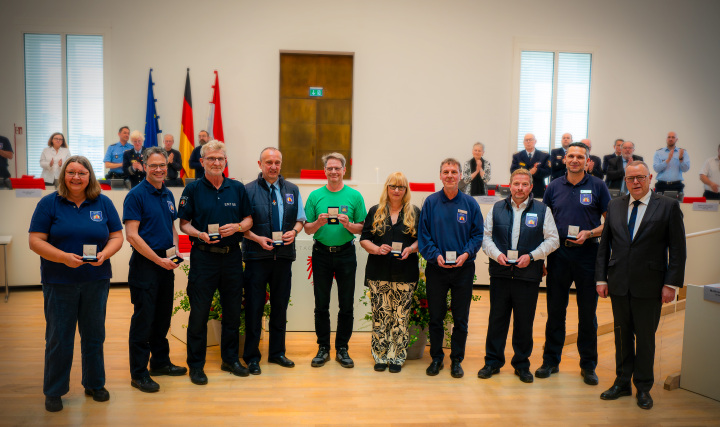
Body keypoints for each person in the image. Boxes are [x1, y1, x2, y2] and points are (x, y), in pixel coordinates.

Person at [28, 156, 124, 412]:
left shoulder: (103, 202)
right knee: (59, 337)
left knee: (94, 335)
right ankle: (55, 390)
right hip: (59, 281)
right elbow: (36, 240)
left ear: (90, 176)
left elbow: (116, 235)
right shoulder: (49, 203)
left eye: (82, 173)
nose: (76, 177)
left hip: (96, 280)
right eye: (71, 172)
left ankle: (95, 383)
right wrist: (62, 258)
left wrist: (106, 254)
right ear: (63, 175)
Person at [596, 161, 686, 410]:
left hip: (651, 285)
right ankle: (622, 383)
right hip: (619, 284)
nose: (636, 182)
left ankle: (643, 387)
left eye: (640, 177)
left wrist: (671, 284)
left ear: (650, 178)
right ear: (625, 180)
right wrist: (601, 278)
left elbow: (678, 250)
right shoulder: (614, 205)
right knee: (622, 337)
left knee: (645, 339)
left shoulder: (668, 206)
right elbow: (605, 246)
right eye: (630, 178)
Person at [178, 140, 253, 385]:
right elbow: (183, 223)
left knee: (232, 312)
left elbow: (249, 219)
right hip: (204, 257)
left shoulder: (237, 188)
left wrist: (239, 226)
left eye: (220, 159)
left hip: (232, 257)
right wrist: (198, 233)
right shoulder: (192, 189)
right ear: (202, 162)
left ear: (225, 161)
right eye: (211, 159)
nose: (216, 162)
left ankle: (230, 360)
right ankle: (196, 366)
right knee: (199, 313)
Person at [536, 142, 610, 385]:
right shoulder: (553, 186)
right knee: (556, 311)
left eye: (580, 156)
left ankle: (588, 366)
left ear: (588, 161)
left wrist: (590, 233)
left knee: (587, 314)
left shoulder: (598, 186)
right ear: (564, 159)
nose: (575, 160)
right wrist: (542, 258)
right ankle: (550, 361)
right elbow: (543, 224)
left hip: (588, 255)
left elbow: (609, 224)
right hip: (559, 256)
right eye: (571, 156)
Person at [478, 168, 559, 383]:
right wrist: (496, 255)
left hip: (527, 276)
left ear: (531, 187)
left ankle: (522, 364)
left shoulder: (543, 210)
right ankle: (492, 362)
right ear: (510, 185)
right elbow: (485, 238)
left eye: (524, 184)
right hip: (500, 274)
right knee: (497, 320)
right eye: (516, 184)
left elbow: (553, 240)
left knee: (524, 322)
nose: (520, 188)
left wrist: (531, 257)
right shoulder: (496, 208)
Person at [123, 146, 187, 393]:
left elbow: (171, 226)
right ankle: (139, 374)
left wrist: (175, 249)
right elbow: (132, 235)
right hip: (145, 265)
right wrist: (158, 260)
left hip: (165, 264)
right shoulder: (136, 195)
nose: (159, 170)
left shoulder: (168, 194)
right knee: (143, 321)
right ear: (144, 166)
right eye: (154, 166)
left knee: (162, 318)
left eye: (163, 165)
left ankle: (160, 363)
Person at [242, 147, 306, 374]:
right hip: (256, 258)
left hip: (283, 258)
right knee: (254, 308)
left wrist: (295, 232)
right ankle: (251, 357)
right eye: (268, 162)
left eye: (277, 162)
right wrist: (256, 238)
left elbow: (300, 220)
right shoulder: (247, 190)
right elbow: (241, 227)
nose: (273, 166)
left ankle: (278, 353)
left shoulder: (292, 189)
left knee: (280, 308)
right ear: (260, 164)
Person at [419, 158, 483, 379]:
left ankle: (457, 359)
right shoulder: (430, 202)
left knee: (460, 317)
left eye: (453, 172)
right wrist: (435, 255)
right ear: (440, 176)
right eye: (445, 172)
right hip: (436, 268)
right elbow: (423, 236)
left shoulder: (470, 204)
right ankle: (436, 358)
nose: (449, 175)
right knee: (435, 316)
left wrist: (466, 254)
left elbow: (477, 235)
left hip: (462, 269)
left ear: (460, 176)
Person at [304, 152, 367, 369]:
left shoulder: (355, 196)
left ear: (343, 170)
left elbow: (362, 227)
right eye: (329, 168)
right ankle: (323, 348)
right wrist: (318, 224)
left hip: (346, 255)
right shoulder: (315, 196)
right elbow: (307, 228)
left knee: (346, 304)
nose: (333, 171)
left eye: (337, 168)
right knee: (321, 305)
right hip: (321, 254)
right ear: (325, 171)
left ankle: (342, 348)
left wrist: (349, 225)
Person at [359, 172, 420, 373]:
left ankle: (397, 356)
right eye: (393, 186)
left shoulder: (414, 212)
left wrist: (410, 249)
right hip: (379, 272)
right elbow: (364, 238)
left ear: (406, 190)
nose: (396, 190)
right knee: (380, 316)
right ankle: (380, 355)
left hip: (406, 273)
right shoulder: (375, 211)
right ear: (387, 188)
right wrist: (376, 249)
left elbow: (423, 240)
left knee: (401, 317)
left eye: (401, 187)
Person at [511, 133, 551, 198]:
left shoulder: (544, 155)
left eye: (530, 140)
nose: (528, 142)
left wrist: (536, 171)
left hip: (538, 190)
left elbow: (548, 172)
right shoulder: (517, 156)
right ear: (523, 142)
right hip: (521, 190)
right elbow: (513, 171)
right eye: (526, 140)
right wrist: (528, 173)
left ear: (535, 141)